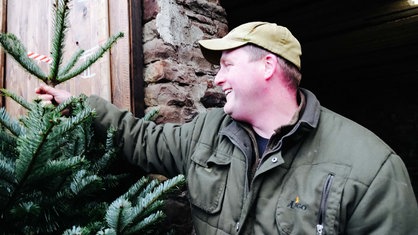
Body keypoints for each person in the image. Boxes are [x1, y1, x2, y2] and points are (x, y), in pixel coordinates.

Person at [36, 21, 418, 234]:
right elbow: (141, 140)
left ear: (267, 67)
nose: (217, 79)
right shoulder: (206, 131)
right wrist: (76, 105)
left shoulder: (373, 169)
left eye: (227, 65)